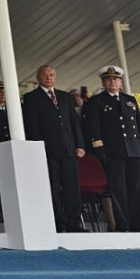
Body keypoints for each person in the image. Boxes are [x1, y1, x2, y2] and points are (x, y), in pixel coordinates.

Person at [83, 65, 140, 232]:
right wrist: (100, 150)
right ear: (104, 82)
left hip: (134, 151)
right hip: (114, 152)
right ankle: (123, 224)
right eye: (109, 79)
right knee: (118, 190)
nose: (112, 81)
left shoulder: (130, 99)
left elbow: (139, 123)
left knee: (137, 189)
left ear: (120, 82)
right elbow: (94, 127)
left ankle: (138, 224)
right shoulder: (97, 101)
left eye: (115, 79)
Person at [21, 65, 86, 232]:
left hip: (68, 149)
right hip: (48, 150)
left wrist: (79, 145)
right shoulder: (31, 98)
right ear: (38, 77)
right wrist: (38, 148)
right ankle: (58, 222)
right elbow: (32, 125)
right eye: (44, 75)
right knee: (53, 187)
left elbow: (74, 123)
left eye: (51, 75)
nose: (48, 78)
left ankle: (74, 222)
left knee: (72, 186)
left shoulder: (64, 97)